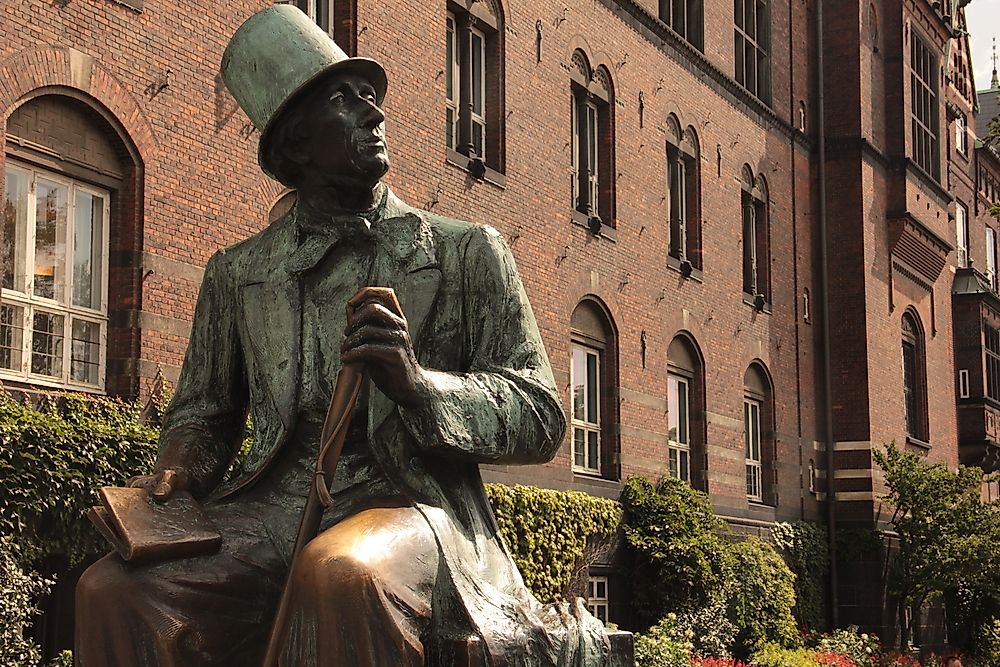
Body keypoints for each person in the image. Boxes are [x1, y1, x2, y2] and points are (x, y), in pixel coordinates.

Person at [75, 6, 611, 665]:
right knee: (112, 589)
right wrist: (178, 466)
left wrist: (419, 386)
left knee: (341, 572)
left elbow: (540, 413)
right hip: (269, 509)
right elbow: (203, 412)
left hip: (410, 502)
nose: (374, 113)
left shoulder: (466, 251)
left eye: (371, 96)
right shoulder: (237, 272)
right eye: (345, 98)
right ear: (297, 143)